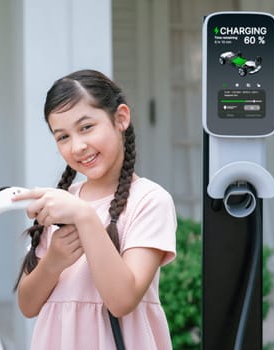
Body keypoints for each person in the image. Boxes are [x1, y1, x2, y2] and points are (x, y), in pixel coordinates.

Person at [12, 69, 177, 349]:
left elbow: (122, 300)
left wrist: (85, 217)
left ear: (121, 118)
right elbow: (28, 306)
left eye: (86, 127)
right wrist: (54, 260)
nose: (77, 146)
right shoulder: (62, 202)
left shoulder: (149, 201)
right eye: (62, 137)